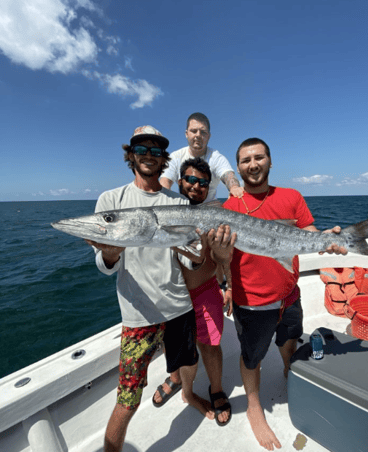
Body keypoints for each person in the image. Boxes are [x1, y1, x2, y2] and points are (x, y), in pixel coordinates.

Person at [86, 126, 228, 452]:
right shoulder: (111, 201)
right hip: (138, 315)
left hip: (179, 305)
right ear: (131, 154)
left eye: (155, 150)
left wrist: (199, 253)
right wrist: (109, 253)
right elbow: (105, 265)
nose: (149, 155)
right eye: (142, 148)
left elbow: (187, 260)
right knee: (129, 399)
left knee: (188, 361)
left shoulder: (177, 202)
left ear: (164, 158)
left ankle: (187, 392)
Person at [222, 137, 347, 451]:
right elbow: (221, 258)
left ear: (270, 161)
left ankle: (292, 370)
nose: (253, 164)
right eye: (246, 160)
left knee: (289, 339)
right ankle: (253, 404)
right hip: (251, 302)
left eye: (259, 157)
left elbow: (307, 232)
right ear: (238, 167)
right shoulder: (230, 207)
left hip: (290, 293)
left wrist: (328, 240)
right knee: (252, 358)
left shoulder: (291, 196)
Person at [153, 157, 234, 426]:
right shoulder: (166, 212)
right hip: (172, 296)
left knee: (210, 346)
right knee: (173, 346)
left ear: (208, 188)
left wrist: (228, 286)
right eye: (190, 179)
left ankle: (216, 389)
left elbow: (225, 257)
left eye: (202, 183)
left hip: (205, 290)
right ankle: (180, 383)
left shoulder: (217, 216)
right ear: (180, 182)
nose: (195, 186)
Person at [160, 112, 244, 201]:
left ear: (209, 136)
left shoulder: (216, 157)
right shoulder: (175, 157)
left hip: (211, 209)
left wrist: (234, 188)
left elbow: (228, 175)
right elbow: (165, 183)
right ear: (186, 134)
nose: (198, 135)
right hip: (184, 209)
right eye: (193, 131)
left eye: (203, 132)